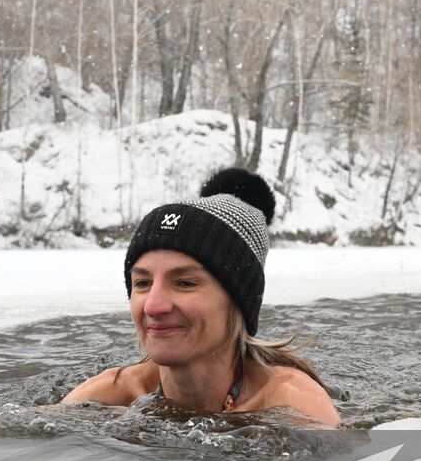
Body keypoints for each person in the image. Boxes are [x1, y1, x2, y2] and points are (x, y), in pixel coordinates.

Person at [64, 168, 340, 427]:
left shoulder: (294, 404)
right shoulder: (111, 394)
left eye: (185, 282)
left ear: (238, 301)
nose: (153, 305)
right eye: (143, 283)